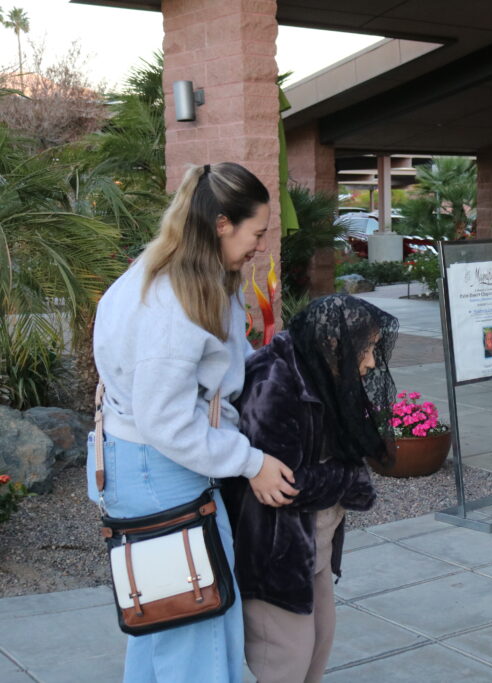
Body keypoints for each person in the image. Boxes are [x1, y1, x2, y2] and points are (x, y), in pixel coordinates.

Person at [88, 162, 299, 683]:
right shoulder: (174, 305)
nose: (259, 246)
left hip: (148, 467)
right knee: (196, 634)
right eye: (257, 233)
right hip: (160, 471)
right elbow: (166, 421)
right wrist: (252, 462)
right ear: (222, 224)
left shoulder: (170, 276)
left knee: (165, 624)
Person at [224, 294, 397, 683]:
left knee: (317, 651)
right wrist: (351, 479)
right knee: (286, 664)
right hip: (277, 555)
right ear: (334, 344)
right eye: (365, 349)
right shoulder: (273, 382)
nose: (371, 362)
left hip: (313, 548)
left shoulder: (319, 372)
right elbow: (282, 484)